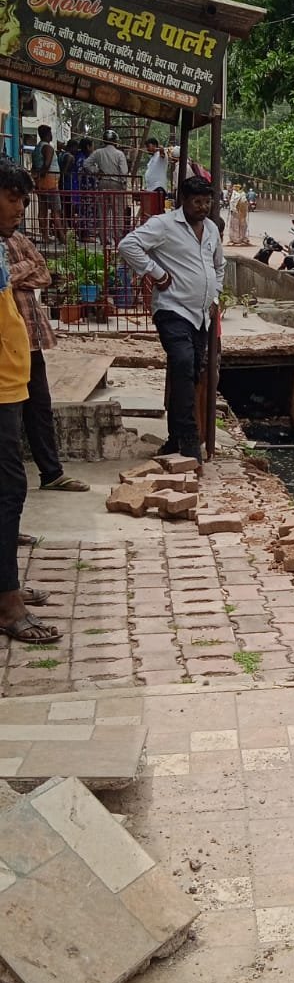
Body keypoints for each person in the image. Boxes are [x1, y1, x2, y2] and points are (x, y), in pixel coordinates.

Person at [117, 176, 224, 466]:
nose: (202, 207)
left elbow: (219, 266)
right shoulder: (164, 225)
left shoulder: (211, 229)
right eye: (197, 202)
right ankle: (189, 441)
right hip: (172, 308)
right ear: (183, 201)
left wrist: (215, 295)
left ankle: (175, 439)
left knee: (190, 372)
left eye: (207, 202)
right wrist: (156, 273)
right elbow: (128, 245)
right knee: (183, 362)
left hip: (201, 315)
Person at [0, 159, 61, 644]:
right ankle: (7, 604)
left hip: (11, 380)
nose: (20, 209)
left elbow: (41, 274)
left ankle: (7, 586)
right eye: (12, 199)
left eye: (23, 200)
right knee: (8, 490)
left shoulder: (6, 246)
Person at [6, 228, 89, 493]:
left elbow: (44, 275)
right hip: (6, 343)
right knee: (9, 416)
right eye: (14, 206)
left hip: (29, 339)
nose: (19, 211)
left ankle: (51, 473)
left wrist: (16, 274)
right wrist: (26, 266)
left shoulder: (17, 237)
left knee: (39, 406)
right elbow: (5, 277)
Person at [83, 128, 129, 244]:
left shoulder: (98, 152)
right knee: (118, 213)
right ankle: (118, 239)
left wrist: (96, 171)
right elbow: (124, 172)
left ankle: (104, 239)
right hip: (116, 185)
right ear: (115, 141)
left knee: (102, 213)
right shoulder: (119, 154)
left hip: (102, 183)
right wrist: (123, 184)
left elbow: (86, 164)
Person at [30, 124, 65, 246]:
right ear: (47, 135)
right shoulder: (47, 148)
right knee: (56, 210)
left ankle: (45, 236)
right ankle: (62, 237)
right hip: (49, 181)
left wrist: (37, 178)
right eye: (50, 134)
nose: (51, 136)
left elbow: (35, 166)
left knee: (43, 208)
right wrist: (43, 175)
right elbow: (47, 164)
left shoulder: (37, 148)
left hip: (41, 182)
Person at [227, 182, 250, 246]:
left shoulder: (242, 194)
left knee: (243, 225)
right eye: (235, 186)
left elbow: (244, 201)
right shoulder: (234, 193)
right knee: (235, 225)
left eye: (237, 187)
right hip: (235, 212)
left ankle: (242, 237)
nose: (236, 188)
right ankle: (235, 239)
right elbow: (232, 202)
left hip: (241, 212)